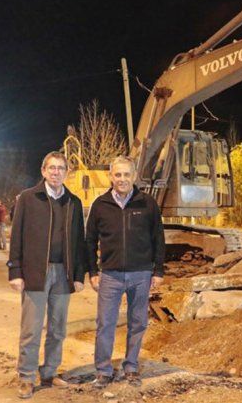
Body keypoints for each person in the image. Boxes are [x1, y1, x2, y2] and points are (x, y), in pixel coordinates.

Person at [7, 151, 87, 399]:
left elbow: (79, 242)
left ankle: (50, 372)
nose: (56, 172)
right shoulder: (28, 199)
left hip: (63, 273)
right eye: (51, 168)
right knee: (31, 329)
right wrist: (15, 271)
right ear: (43, 171)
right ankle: (27, 377)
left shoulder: (73, 202)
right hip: (35, 273)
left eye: (61, 168)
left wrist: (78, 275)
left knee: (58, 328)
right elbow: (16, 236)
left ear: (67, 172)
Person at [86, 156, 165, 389]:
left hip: (141, 274)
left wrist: (158, 271)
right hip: (109, 275)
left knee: (138, 322)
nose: (122, 179)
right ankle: (103, 371)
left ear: (134, 176)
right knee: (105, 324)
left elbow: (158, 239)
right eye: (117, 174)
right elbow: (89, 241)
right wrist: (93, 271)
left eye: (126, 174)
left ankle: (131, 367)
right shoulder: (100, 205)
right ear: (111, 176)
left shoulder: (147, 203)